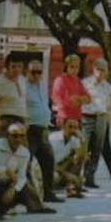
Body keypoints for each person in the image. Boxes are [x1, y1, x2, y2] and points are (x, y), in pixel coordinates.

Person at [81, 58, 111, 187]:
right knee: (84, 148)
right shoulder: (85, 83)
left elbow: (110, 104)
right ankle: (78, 176)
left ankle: (90, 177)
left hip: (102, 117)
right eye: (98, 69)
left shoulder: (107, 86)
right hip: (87, 117)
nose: (100, 72)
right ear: (93, 69)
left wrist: (109, 119)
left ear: (107, 72)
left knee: (97, 149)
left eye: (103, 70)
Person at [25, 59, 62, 202]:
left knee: (48, 161)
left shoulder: (42, 85)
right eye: (33, 72)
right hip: (30, 128)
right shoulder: (23, 86)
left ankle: (48, 192)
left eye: (39, 72)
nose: (36, 75)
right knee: (26, 163)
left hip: (43, 128)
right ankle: (30, 197)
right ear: (27, 72)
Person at [50, 117, 89, 198]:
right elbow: (48, 163)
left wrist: (83, 140)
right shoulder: (54, 139)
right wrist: (67, 175)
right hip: (51, 168)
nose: (73, 130)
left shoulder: (74, 139)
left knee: (78, 159)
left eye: (75, 128)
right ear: (63, 126)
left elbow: (83, 157)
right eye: (70, 127)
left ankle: (72, 187)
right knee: (55, 178)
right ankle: (69, 182)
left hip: (61, 166)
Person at [51, 53, 90, 127]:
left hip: (77, 118)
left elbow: (88, 98)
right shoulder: (60, 80)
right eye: (72, 67)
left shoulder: (78, 81)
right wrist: (77, 100)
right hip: (65, 118)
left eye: (77, 67)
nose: (75, 70)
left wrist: (79, 99)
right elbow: (57, 99)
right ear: (66, 67)